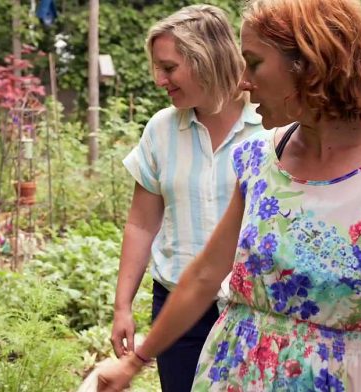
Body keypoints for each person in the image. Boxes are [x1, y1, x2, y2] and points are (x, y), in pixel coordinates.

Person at [99, 0, 361, 390]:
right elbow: (204, 275)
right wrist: (135, 361)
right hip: (233, 373)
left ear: (310, 64)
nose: (243, 80)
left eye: (254, 62)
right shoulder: (259, 156)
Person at [110, 5, 263, 391]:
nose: (160, 80)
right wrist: (122, 306)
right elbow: (141, 223)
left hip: (256, 310)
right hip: (179, 311)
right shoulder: (161, 130)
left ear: (205, 59)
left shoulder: (272, 126)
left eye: (169, 67)